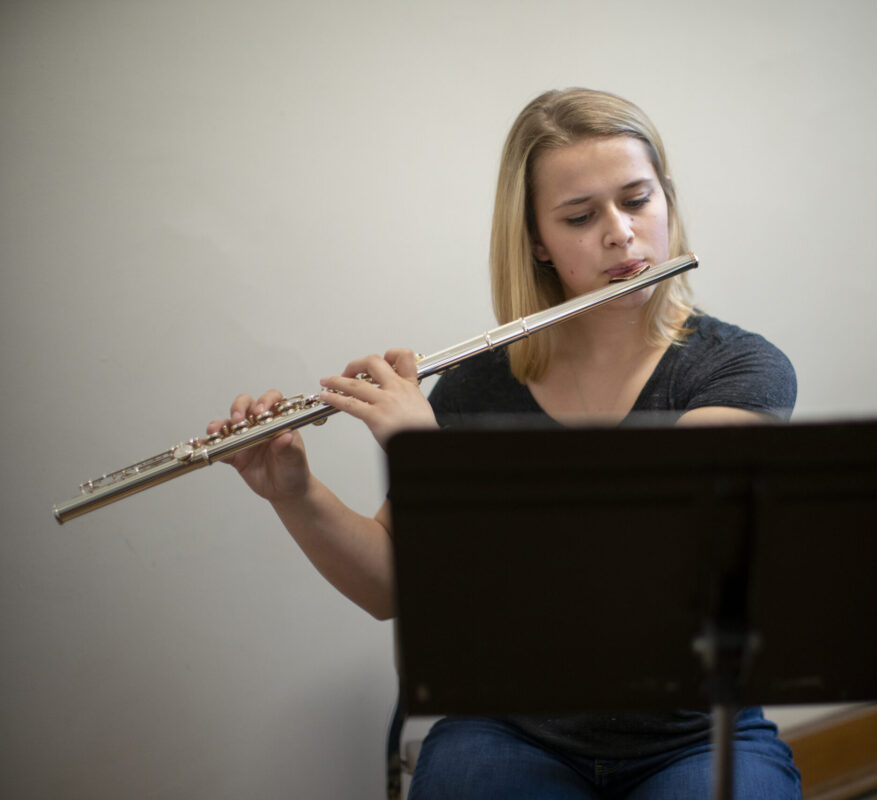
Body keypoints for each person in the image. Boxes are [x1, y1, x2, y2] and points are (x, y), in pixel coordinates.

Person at [210, 88, 802, 798]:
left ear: (667, 203)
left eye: (637, 200)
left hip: (695, 733)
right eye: (580, 216)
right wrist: (295, 494)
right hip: (514, 726)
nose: (620, 234)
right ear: (536, 242)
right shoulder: (473, 391)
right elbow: (392, 584)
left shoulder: (739, 371)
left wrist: (446, 468)